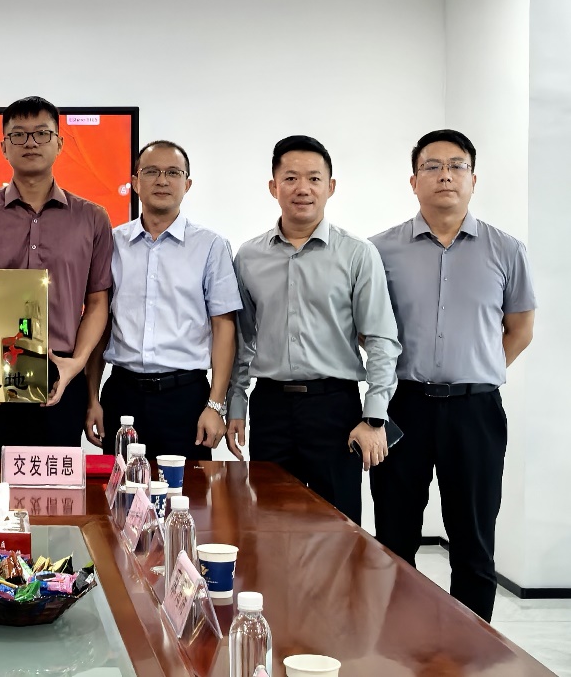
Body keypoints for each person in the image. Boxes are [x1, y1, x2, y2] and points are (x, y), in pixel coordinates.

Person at [370, 129, 535, 621]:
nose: (445, 175)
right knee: (394, 539)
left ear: (473, 179)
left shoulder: (507, 250)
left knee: (474, 542)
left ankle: (470, 652)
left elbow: (520, 329)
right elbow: (368, 330)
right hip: (403, 408)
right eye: (432, 166)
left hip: (475, 411)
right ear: (413, 181)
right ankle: (396, 647)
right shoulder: (380, 251)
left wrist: (477, 370)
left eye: (457, 166)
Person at [225, 135, 401, 524]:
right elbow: (242, 339)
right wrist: (236, 404)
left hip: (334, 408)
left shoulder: (357, 253)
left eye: (314, 178)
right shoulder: (249, 256)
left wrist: (374, 417)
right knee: (269, 524)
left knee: (337, 528)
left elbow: (381, 341)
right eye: (290, 178)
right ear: (273, 187)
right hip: (270, 407)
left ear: (330, 186)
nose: (302, 188)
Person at [0, 96, 113, 458]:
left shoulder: (92, 218)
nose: (31, 142)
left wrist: (76, 364)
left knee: (53, 486)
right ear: (4, 146)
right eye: (19, 135)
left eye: (42, 133)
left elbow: (98, 300)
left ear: (59, 143)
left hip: (59, 372)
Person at [87, 140, 241, 459]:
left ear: (187, 184)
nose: (162, 180)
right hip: (122, 395)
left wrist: (216, 405)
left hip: (185, 398)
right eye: (151, 172)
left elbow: (224, 327)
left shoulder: (210, 246)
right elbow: (99, 323)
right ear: (135, 182)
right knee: (119, 488)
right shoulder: (112, 244)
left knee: (185, 489)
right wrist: (92, 400)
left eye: (173, 172)